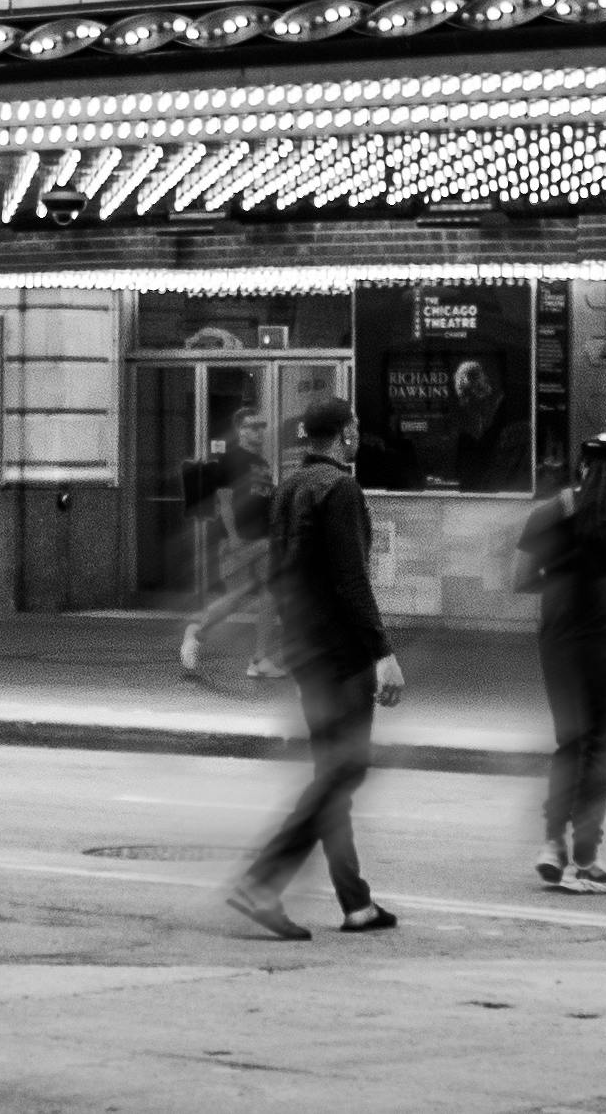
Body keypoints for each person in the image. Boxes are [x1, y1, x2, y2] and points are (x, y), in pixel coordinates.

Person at [226, 397, 404, 942]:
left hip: (306, 649)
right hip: (341, 654)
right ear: (345, 433)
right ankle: (261, 883)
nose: (357, 437)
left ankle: (356, 902)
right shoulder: (340, 488)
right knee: (341, 773)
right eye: (354, 429)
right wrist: (383, 652)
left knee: (334, 773)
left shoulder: (289, 487)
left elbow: (280, 573)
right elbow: (352, 579)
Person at [516, 430, 606, 892]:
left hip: (557, 645)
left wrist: (560, 586)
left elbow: (519, 577)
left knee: (569, 744)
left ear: (580, 467)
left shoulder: (545, 514)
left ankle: (552, 844)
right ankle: (587, 859)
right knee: (605, 751)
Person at [179, 406, 275, 690]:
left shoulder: (260, 462)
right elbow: (224, 500)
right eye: (252, 426)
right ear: (240, 430)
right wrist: (233, 537)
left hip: (262, 539)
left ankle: (260, 660)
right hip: (240, 539)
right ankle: (196, 631)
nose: (259, 431)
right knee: (236, 598)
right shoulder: (231, 460)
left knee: (271, 594)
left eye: (261, 425)